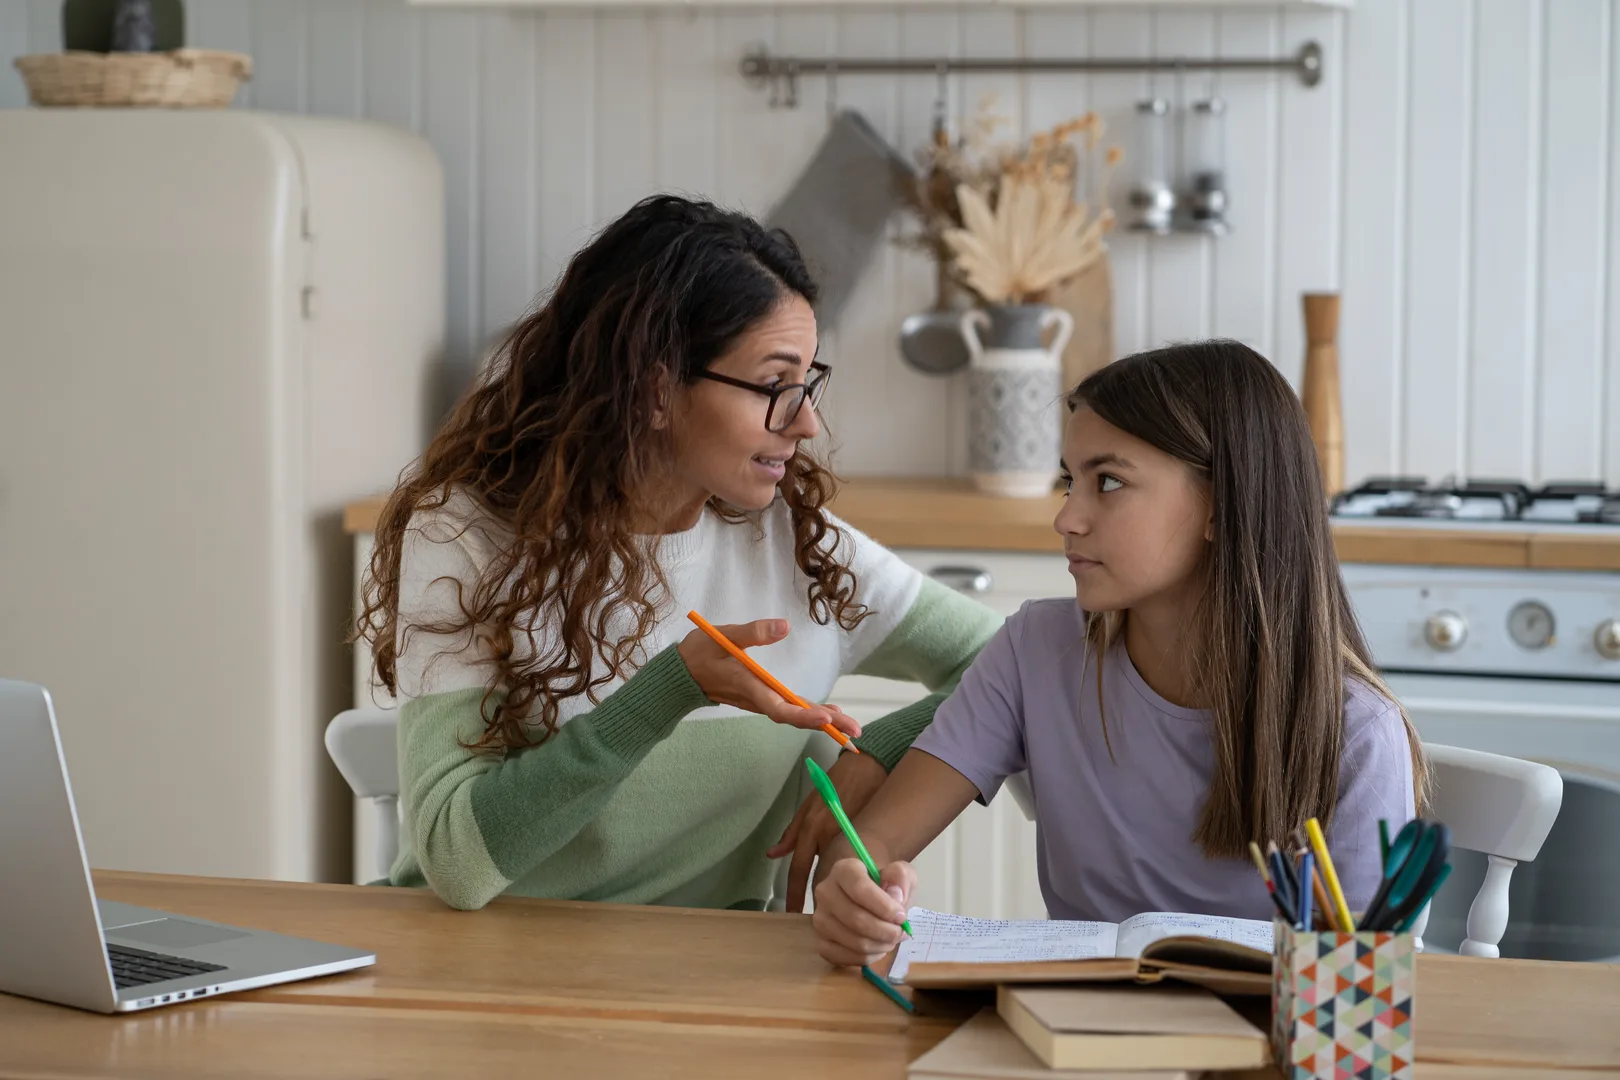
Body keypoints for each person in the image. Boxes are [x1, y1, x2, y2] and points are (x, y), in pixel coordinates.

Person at [356, 194, 1000, 913]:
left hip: (706, 976)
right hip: (477, 972)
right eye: (772, 386)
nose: (807, 421)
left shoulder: (798, 547)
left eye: (807, 383)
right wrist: (671, 690)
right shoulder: (468, 538)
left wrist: (881, 750)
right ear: (656, 387)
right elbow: (455, 863)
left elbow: (1018, 664)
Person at [810, 340, 1429, 968]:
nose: (1068, 519)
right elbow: (871, 843)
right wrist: (852, 893)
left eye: (1109, 482)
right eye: (1068, 482)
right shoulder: (1035, 650)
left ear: (1222, 505)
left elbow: (1357, 990)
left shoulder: (1356, 731)